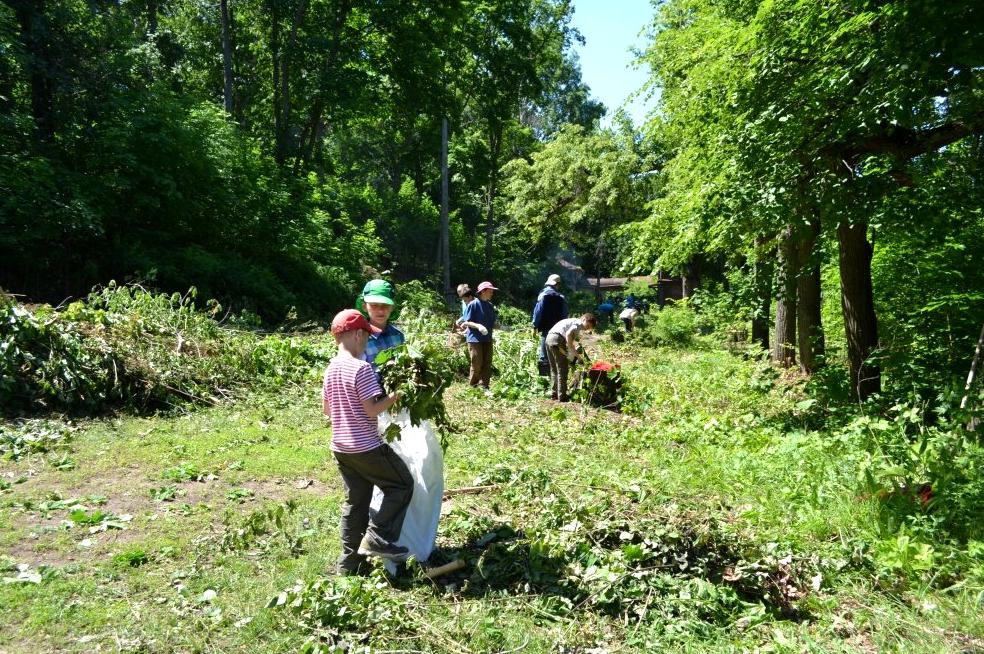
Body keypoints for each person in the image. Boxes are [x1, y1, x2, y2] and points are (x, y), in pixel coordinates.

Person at [323, 309, 413, 575]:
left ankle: (349, 564)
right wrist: (396, 395)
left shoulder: (331, 368)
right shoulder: (361, 368)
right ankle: (378, 536)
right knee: (401, 485)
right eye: (365, 337)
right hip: (366, 447)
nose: (365, 343)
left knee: (356, 502)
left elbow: (327, 410)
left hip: (341, 448)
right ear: (359, 334)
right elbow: (372, 410)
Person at [545, 313, 597, 401]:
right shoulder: (578, 324)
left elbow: (571, 342)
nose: (586, 328)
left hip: (549, 338)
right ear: (584, 319)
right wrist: (576, 355)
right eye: (587, 325)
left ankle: (554, 394)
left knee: (554, 369)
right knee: (562, 369)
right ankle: (562, 396)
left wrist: (573, 353)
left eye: (588, 328)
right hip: (557, 339)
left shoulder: (572, 321)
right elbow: (569, 334)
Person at [355, 279, 403, 373]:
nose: (380, 310)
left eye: (385, 305)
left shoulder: (399, 336)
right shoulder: (359, 339)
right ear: (364, 307)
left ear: (392, 307)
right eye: (374, 305)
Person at [461, 281, 497, 389]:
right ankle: (473, 385)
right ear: (483, 291)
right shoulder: (473, 304)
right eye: (490, 291)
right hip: (475, 339)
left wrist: (502, 327)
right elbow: (466, 322)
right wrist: (478, 326)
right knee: (477, 363)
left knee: (487, 363)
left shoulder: (490, 306)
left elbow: (492, 323)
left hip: (487, 338)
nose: (492, 293)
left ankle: (484, 386)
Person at [532, 274, 568, 371]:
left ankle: (544, 376)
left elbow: (537, 312)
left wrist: (535, 325)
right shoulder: (562, 298)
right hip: (558, 331)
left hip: (546, 328)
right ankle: (555, 372)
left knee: (544, 354)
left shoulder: (542, 295)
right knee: (556, 352)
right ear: (557, 284)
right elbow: (565, 315)